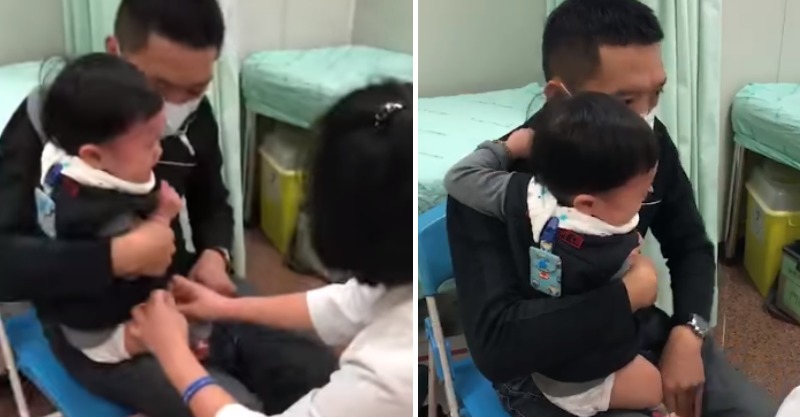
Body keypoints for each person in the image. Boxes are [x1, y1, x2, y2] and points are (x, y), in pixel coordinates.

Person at [0, 0, 337, 416]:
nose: (173, 107)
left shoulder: (196, 118)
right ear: (115, 51)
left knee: (316, 373)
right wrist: (115, 256)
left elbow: (213, 202)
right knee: (231, 405)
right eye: (159, 86)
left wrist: (215, 254)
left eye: (194, 90)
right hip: (94, 321)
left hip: (178, 282)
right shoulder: (52, 116)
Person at [443, 0, 778, 416]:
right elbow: (498, 348)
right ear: (560, 98)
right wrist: (625, 296)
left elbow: (690, 244)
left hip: (634, 333)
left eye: (656, 94)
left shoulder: (644, 146)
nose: (645, 117)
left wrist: (688, 333)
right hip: (547, 373)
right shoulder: (493, 188)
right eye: (625, 102)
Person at [127, 81, 414, 417]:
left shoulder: (390, 374)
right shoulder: (401, 270)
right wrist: (223, 307)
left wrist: (173, 354)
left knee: (288, 378)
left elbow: (213, 202)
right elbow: (350, 302)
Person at [448, 92, 669, 416]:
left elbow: (458, 178)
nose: (649, 191)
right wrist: (635, 272)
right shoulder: (605, 249)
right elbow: (625, 299)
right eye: (641, 190)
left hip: (554, 364)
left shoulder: (526, 199)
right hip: (579, 378)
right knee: (655, 386)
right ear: (587, 204)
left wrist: (508, 148)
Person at [36, 53, 215, 365]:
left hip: (76, 307)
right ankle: (183, 349)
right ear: (94, 156)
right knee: (174, 322)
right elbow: (152, 260)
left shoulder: (65, 168)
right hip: (101, 334)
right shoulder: (105, 216)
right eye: (150, 145)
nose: (159, 151)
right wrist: (163, 215)